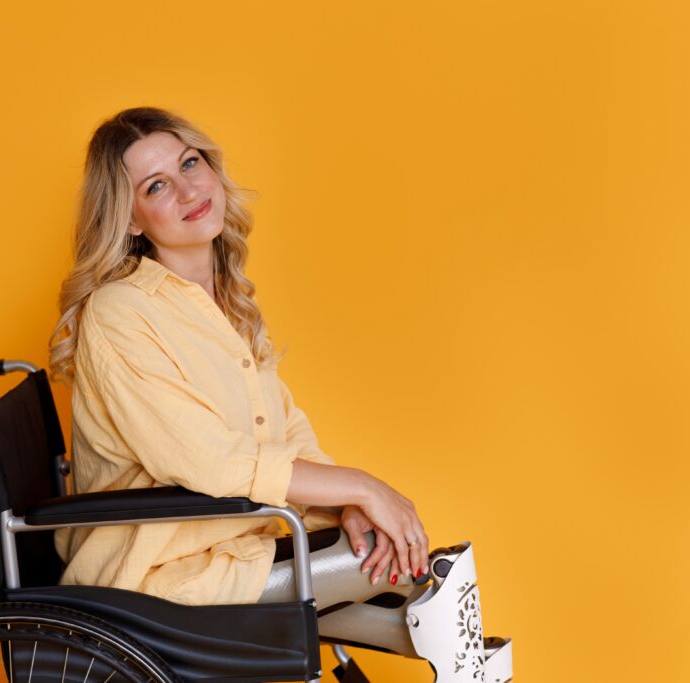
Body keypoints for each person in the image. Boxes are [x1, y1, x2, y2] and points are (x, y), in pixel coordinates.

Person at [47, 106, 512, 680]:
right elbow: (206, 460)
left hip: (238, 532)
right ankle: (456, 650)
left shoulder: (223, 300)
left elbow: (282, 427)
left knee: (387, 549)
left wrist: (345, 504)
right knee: (399, 556)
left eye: (191, 164)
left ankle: (449, 648)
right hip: (154, 567)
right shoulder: (121, 314)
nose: (189, 189)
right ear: (132, 219)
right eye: (157, 185)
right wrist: (366, 490)